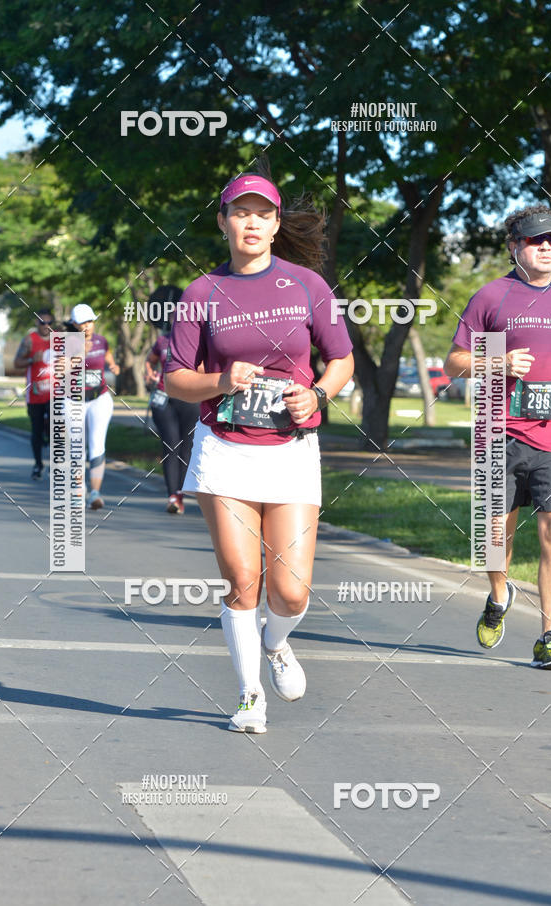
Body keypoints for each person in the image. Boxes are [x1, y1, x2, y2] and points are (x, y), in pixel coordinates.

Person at [165, 171, 354, 732]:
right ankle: (250, 695)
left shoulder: (308, 286)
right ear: (222, 222)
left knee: (290, 592)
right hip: (224, 449)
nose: (251, 222)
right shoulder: (201, 293)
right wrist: (221, 381)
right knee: (242, 578)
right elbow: (175, 379)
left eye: (262, 214)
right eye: (240, 212)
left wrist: (318, 395)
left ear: (275, 226)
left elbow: (341, 359)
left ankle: (276, 642)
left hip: (291, 448)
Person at [444, 204, 551, 669]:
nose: (545, 247)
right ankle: (499, 595)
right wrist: (498, 361)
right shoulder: (492, 297)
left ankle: (549, 636)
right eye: (535, 240)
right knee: (494, 536)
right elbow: (454, 363)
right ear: (514, 247)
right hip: (498, 431)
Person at [144, 289, 199, 514]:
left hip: (189, 398)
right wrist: (150, 374)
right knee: (170, 446)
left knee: (187, 448)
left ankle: (181, 494)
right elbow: (150, 361)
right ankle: (173, 496)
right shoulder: (162, 341)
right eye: (172, 315)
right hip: (163, 398)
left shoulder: (197, 341)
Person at [68, 303, 120, 509]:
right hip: (74, 401)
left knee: (97, 445)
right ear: (74, 324)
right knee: (77, 447)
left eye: (89, 321)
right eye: (82, 323)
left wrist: (113, 365)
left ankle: (95, 493)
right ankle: (78, 491)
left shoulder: (101, 340)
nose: (87, 326)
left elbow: (107, 355)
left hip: (100, 398)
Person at [14, 308, 54, 480]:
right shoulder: (29, 340)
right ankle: (38, 464)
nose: (46, 326)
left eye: (49, 323)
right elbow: (17, 363)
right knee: (36, 431)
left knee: (55, 430)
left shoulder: (58, 339)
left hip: (55, 394)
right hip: (35, 394)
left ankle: (55, 464)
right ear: (37, 323)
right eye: (43, 322)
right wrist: (31, 359)